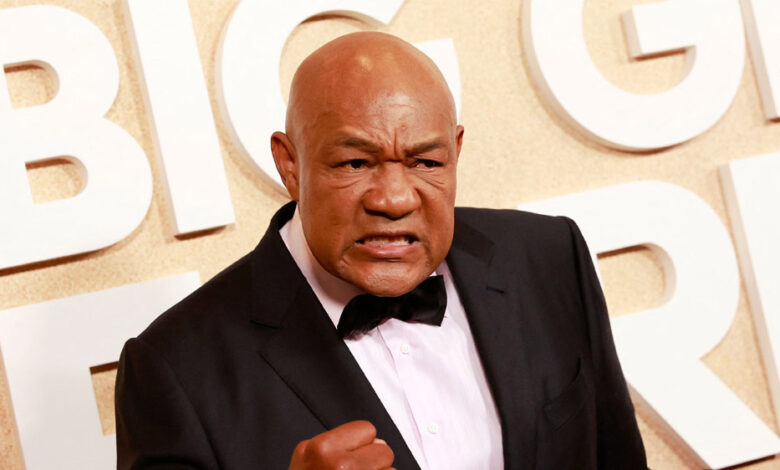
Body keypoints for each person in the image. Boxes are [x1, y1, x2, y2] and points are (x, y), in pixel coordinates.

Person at [115, 32, 648, 469]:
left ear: (456, 151)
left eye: (426, 162)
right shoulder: (174, 370)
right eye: (354, 163)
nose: (394, 200)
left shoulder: (549, 257)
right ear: (290, 164)